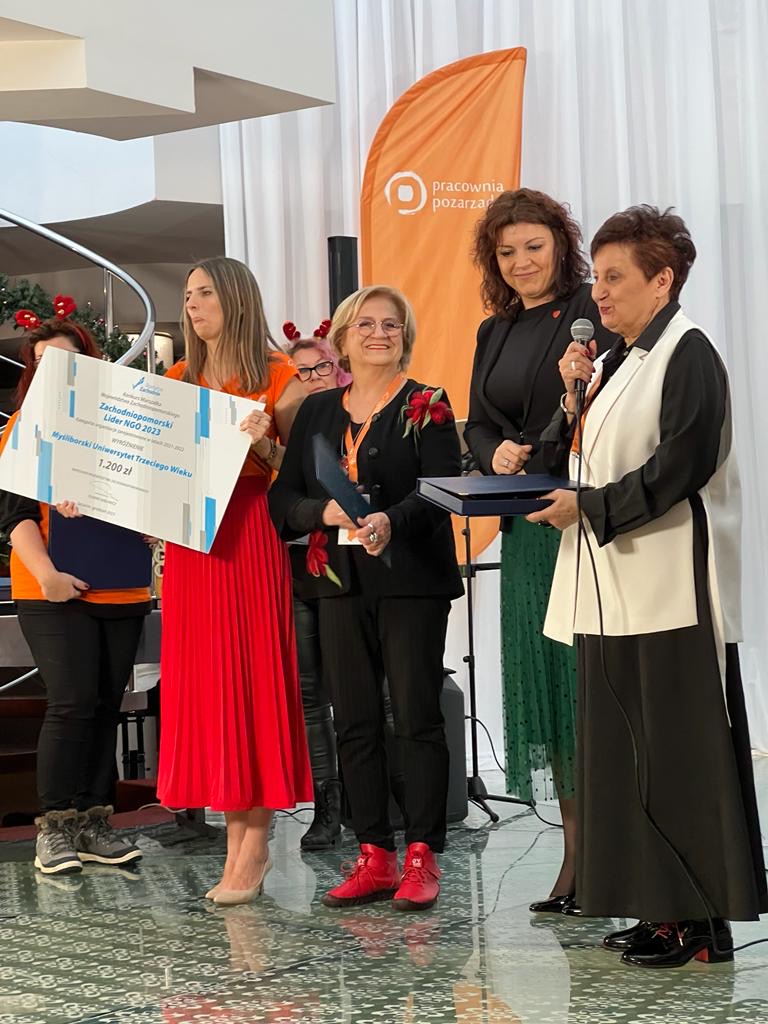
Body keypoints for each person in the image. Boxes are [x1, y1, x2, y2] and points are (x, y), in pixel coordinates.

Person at [530, 205, 768, 967]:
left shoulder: (688, 353)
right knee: (626, 757)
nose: (597, 292)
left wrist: (589, 508)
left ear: (662, 280)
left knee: (679, 757)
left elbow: (680, 465)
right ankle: (657, 909)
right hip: (611, 587)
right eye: (597, 277)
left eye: (614, 277)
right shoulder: (615, 359)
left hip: (670, 588)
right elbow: (582, 455)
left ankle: (702, 925)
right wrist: (572, 399)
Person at [269, 285, 463, 911]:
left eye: (392, 325)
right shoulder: (317, 411)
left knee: (415, 716)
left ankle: (423, 853)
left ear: (405, 337)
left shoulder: (429, 404)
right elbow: (282, 500)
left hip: (411, 582)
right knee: (352, 721)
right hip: (337, 585)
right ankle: (374, 852)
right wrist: (322, 513)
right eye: (367, 324)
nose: (380, 333)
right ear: (344, 339)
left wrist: (389, 521)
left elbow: (439, 492)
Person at [465, 188, 614, 912]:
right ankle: (578, 853)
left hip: (581, 521)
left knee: (588, 686)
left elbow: (604, 411)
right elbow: (477, 422)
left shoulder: (592, 313)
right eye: (507, 251)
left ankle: (609, 853)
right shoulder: (494, 330)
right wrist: (494, 453)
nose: (521, 261)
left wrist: (556, 426)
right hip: (525, 528)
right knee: (551, 691)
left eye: (534, 246)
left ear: (561, 245)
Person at [156, 256, 312, 906]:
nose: (192, 305)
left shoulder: (281, 378)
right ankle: (234, 838)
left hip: (249, 534)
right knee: (208, 687)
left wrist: (264, 446)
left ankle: (256, 841)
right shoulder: (176, 379)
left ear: (237, 299)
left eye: (205, 293)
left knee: (251, 680)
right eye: (188, 294)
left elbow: (303, 480)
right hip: (193, 544)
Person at [0, 316, 148, 874]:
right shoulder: (26, 428)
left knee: (106, 706)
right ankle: (54, 828)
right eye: (42, 363)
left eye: (66, 360)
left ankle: (93, 822)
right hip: (53, 588)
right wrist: (48, 575)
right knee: (72, 703)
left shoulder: (128, 427)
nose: (54, 371)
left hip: (123, 587)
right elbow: (14, 517)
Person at [283, 323, 351, 850]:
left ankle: (381, 798)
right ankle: (326, 807)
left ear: (339, 367)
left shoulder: (360, 417)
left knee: (368, 690)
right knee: (309, 695)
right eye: (301, 371)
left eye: (321, 367)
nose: (312, 378)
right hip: (299, 570)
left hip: (356, 567)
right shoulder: (282, 429)